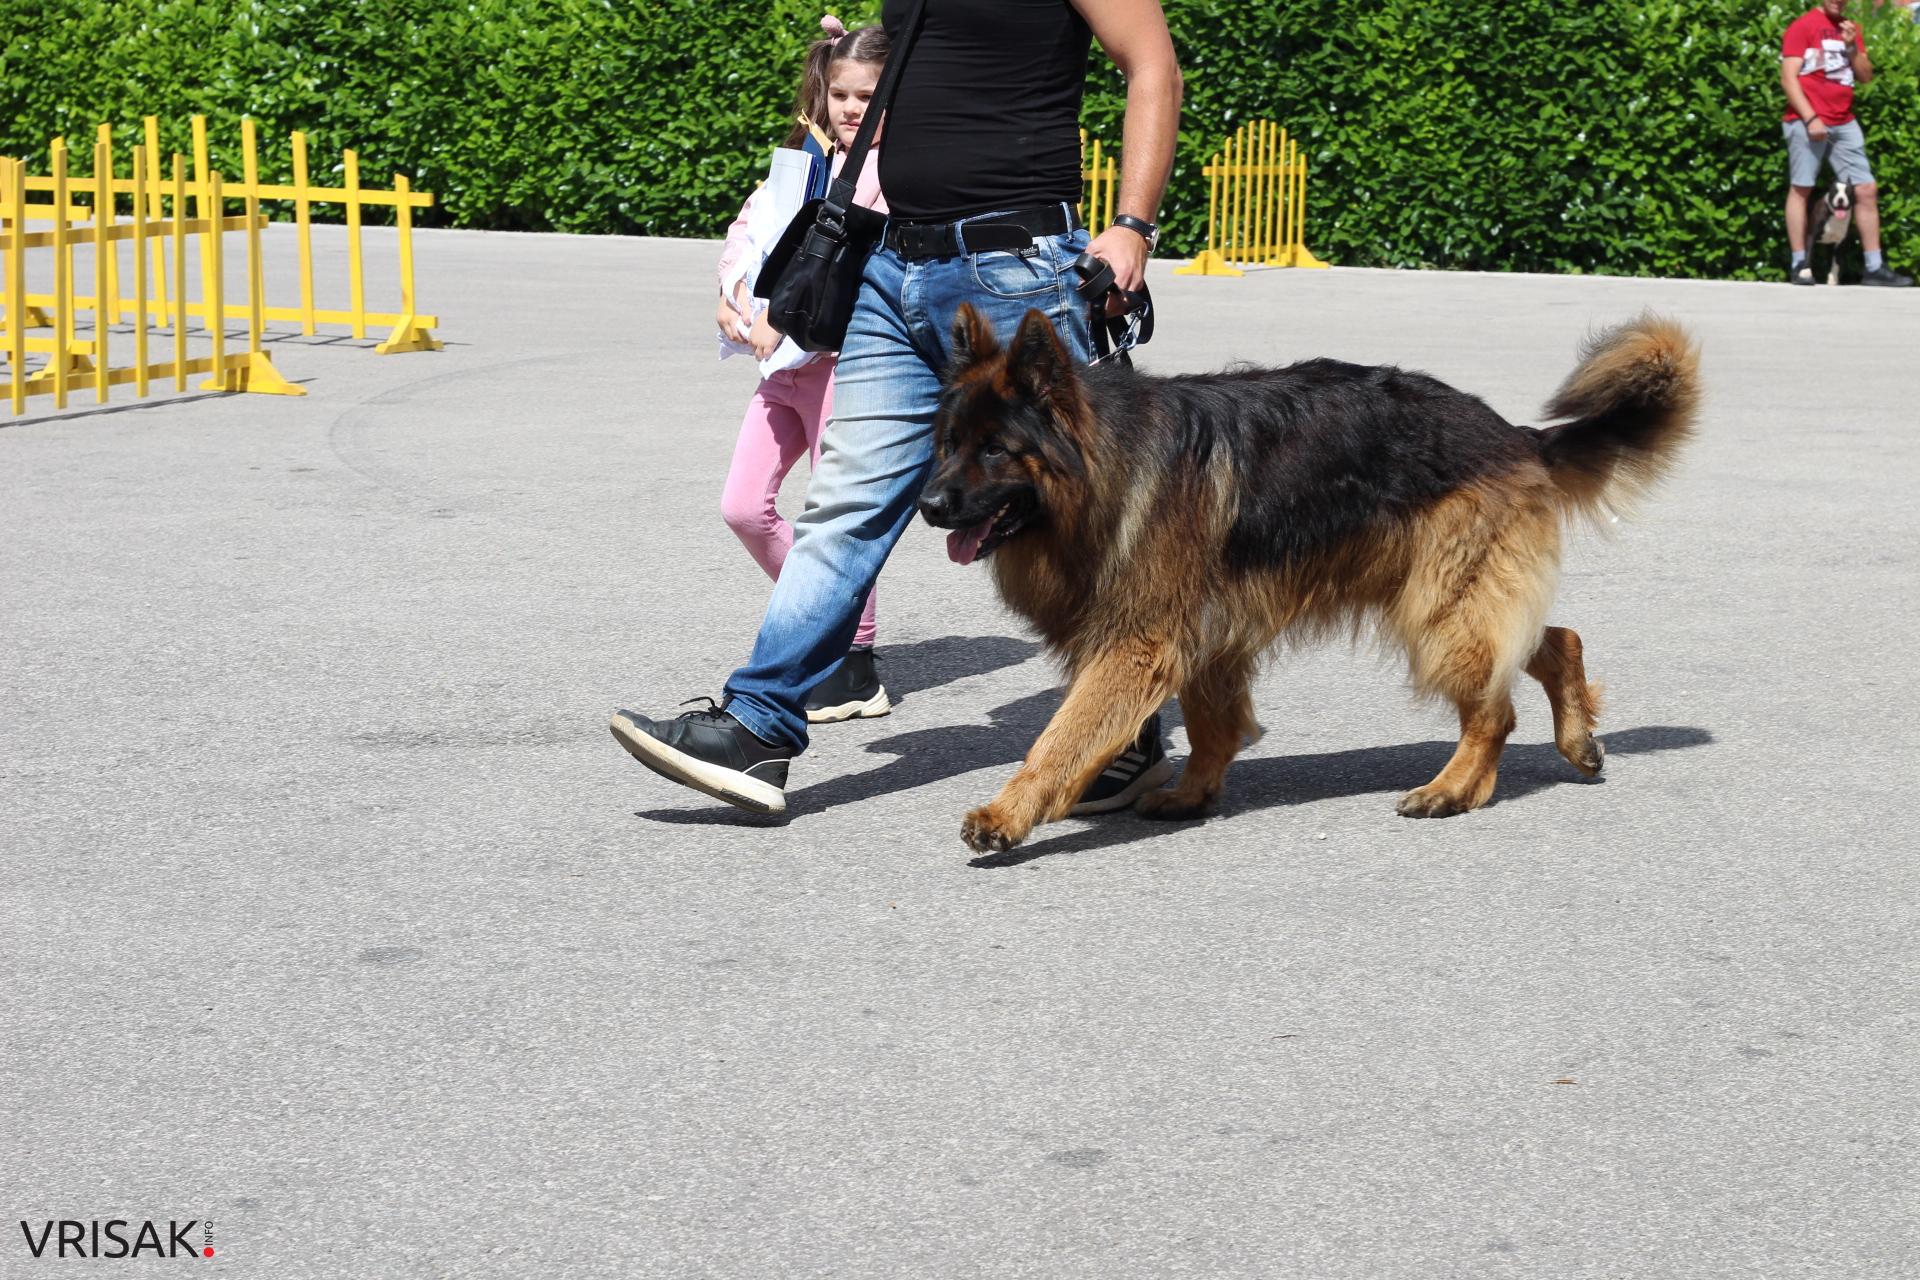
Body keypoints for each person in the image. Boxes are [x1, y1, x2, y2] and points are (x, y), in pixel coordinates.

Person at [612, 0, 1184, 816]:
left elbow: (1152, 64)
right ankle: (757, 727)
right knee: (843, 500)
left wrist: (1132, 226)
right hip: (891, 265)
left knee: (1084, 514)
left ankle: (1125, 733)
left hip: (1015, 261)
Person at [715, 17, 893, 723]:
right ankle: (818, 620)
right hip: (779, 369)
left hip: (839, 368)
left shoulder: (889, 175)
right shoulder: (804, 159)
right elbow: (749, 229)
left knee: (837, 521)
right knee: (741, 507)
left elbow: (841, 266)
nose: (850, 109)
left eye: (867, 97)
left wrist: (781, 316)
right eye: (840, 95)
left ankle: (854, 665)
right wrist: (729, 292)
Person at [1781, 0, 1912, 286]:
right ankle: (1799, 264)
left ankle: (1874, 268)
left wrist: (1852, 46)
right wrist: (1810, 117)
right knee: (1802, 187)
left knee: (1865, 189)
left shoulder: (1851, 28)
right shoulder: (1802, 27)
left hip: (1843, 121)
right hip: (1807, 119)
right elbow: (1788, 79)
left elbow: (1865, 76)